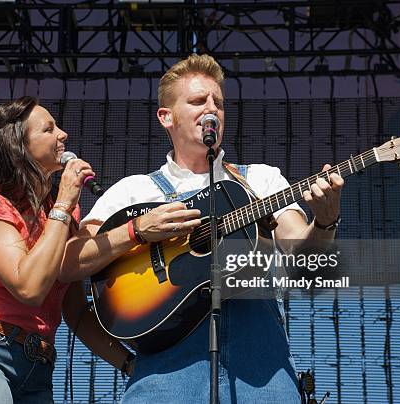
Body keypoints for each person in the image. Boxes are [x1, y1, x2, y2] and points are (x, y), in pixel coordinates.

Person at [61, 54, 344, 402]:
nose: (211, 108)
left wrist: (326, 220)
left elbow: (306, 266)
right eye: (197, 101)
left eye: (219, 103)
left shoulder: (262, 179)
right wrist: (137, 229)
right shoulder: (133, 191)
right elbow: (71, 262)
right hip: (164, 378)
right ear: (166, 117)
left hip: (262, 373)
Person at [0, 96, 134, 403]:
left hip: (39, 366)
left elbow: (78, 313)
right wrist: (64, 201)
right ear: (18, 146)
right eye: (49, 129)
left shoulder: (62, 215)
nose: (63, 134)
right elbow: (28, 287)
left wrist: (129, 363)